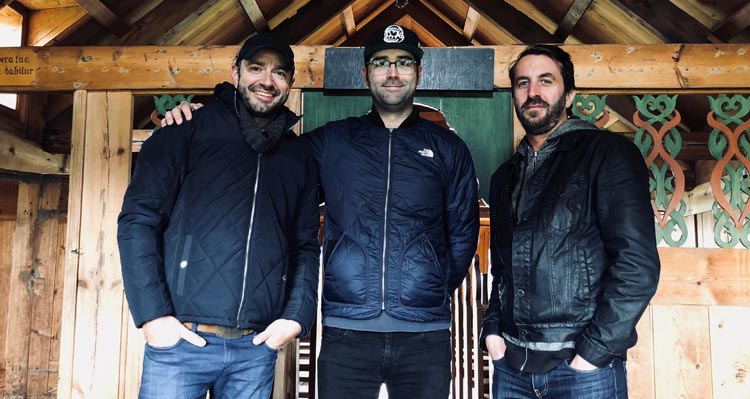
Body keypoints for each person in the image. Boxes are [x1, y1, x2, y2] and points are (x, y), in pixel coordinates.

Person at [164, 24, 480, 399]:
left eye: (403, 63)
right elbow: (264, 146)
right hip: (346, 329)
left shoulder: (448, 148)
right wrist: (210, 115)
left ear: (418, 73)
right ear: (366, 74)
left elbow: (463, 234)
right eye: (381, 62)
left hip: (424, 333)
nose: (392, 73)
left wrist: (432, 285)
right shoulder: (333, 141)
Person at [117, 32, 320, 399]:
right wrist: (153, 318)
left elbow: (304, 245)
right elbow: (138, 220)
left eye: (279, 73)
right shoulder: (186, 130)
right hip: (180, 342)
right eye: (256, 68)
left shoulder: (299, 157)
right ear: (236, 72)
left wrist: (296, 317)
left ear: (290, 82)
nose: (267, 81)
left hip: (254, 349)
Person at [479, 44, 660, 398]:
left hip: (581, 371)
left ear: (569, 94)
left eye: (545, 81)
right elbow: (501, 268)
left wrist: (591, 354)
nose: (533, 92)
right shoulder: (505, 176)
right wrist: (493, 331)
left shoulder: (607, 153)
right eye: (522, 83)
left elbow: (637, 265)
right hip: (512, 368)